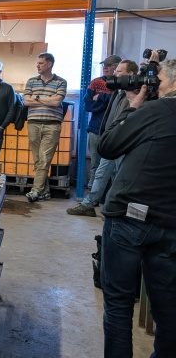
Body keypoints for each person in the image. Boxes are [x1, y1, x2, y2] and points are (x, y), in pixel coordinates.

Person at [98, 55, 176, 358]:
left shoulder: (158, 109)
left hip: (130, 218)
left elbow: (108, 146)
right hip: (170, 225)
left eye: (161, 80)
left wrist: (133, 106)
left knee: (118, 305)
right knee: (168, 308)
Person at [67, 59, 137, 217]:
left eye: (119, 71)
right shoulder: (118, 92)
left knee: (115, 174)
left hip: (120, 140)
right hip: (110, 137)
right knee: (102, 171)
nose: (114, 73)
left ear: (131, 74)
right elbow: (89, 104)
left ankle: (109, 207)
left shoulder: (132, 94)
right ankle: (93, 204)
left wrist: (100, 98)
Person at [23, 52, 67, 202]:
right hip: (33, 123)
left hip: (52, 125)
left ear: (49, 64)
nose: (38, 66)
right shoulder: (31, 81)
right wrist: (46, 99)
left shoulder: (61, 82)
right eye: (37, 63)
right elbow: (26, 102)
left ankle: (35, 190)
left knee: (44, 159)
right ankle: (45, 192)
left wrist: (36, 98)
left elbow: (57, 102)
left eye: (41, 63)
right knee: (38, 160)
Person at [84, 55, 120, 189]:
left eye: (109, 65)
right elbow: (88, 105)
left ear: (117, 66)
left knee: (115, 167)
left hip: (115, 131)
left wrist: (101, 97)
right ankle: (92, 195)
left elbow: (119, 104)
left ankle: (111, 197)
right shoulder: (96, 82)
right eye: (104, 65)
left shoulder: (122, 84)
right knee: (95, 165)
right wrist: (107, 103)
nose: (105, 67)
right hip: (95, 128)